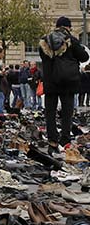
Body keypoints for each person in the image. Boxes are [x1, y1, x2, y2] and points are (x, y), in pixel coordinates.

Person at [39, 16, 89, 150]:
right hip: (68, 82)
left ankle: (52, 139)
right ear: (67, 27)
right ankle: (65, 139)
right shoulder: (71, 40)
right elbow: (85, 57)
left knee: (50, 111)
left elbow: (43, 59)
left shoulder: (44, 41)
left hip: (50, 81)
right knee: (67, 112)